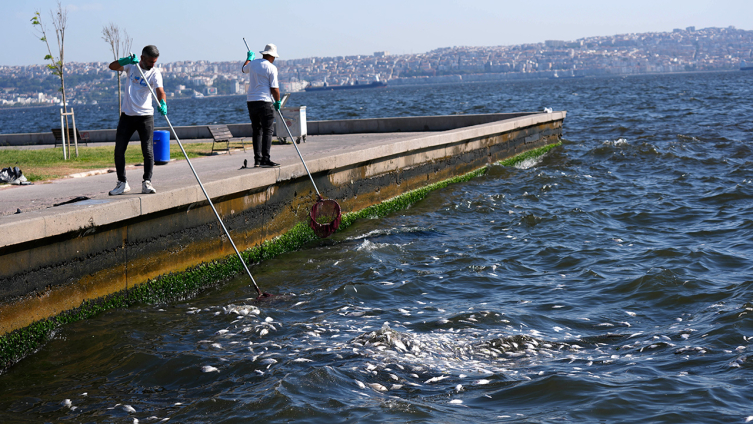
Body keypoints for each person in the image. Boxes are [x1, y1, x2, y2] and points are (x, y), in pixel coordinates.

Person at [107, 45, 167, 195]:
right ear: (142, 58)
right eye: (150, 61)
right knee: (119, 150)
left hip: (145, 116)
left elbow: (160, 91)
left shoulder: (155, 73)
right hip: (127, 115)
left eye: (155, 62)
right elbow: (112, 66)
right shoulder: (131, 66)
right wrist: (125, 60)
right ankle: (122, 183)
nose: (153, 64)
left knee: (147, 150)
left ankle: (147, 182)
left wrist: (163, 103)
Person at [242, 43, 282, 168]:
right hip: (265, 101)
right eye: (274, 57)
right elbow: (274, 88)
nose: (274, 59)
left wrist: (249, 58)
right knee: (268, 130)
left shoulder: (253, 64)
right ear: (271, 56)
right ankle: (266, 158)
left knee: (257, 130)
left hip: (251, 102)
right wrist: (277, 101)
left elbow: (244, 69)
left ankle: (257, 160)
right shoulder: (271, 68)